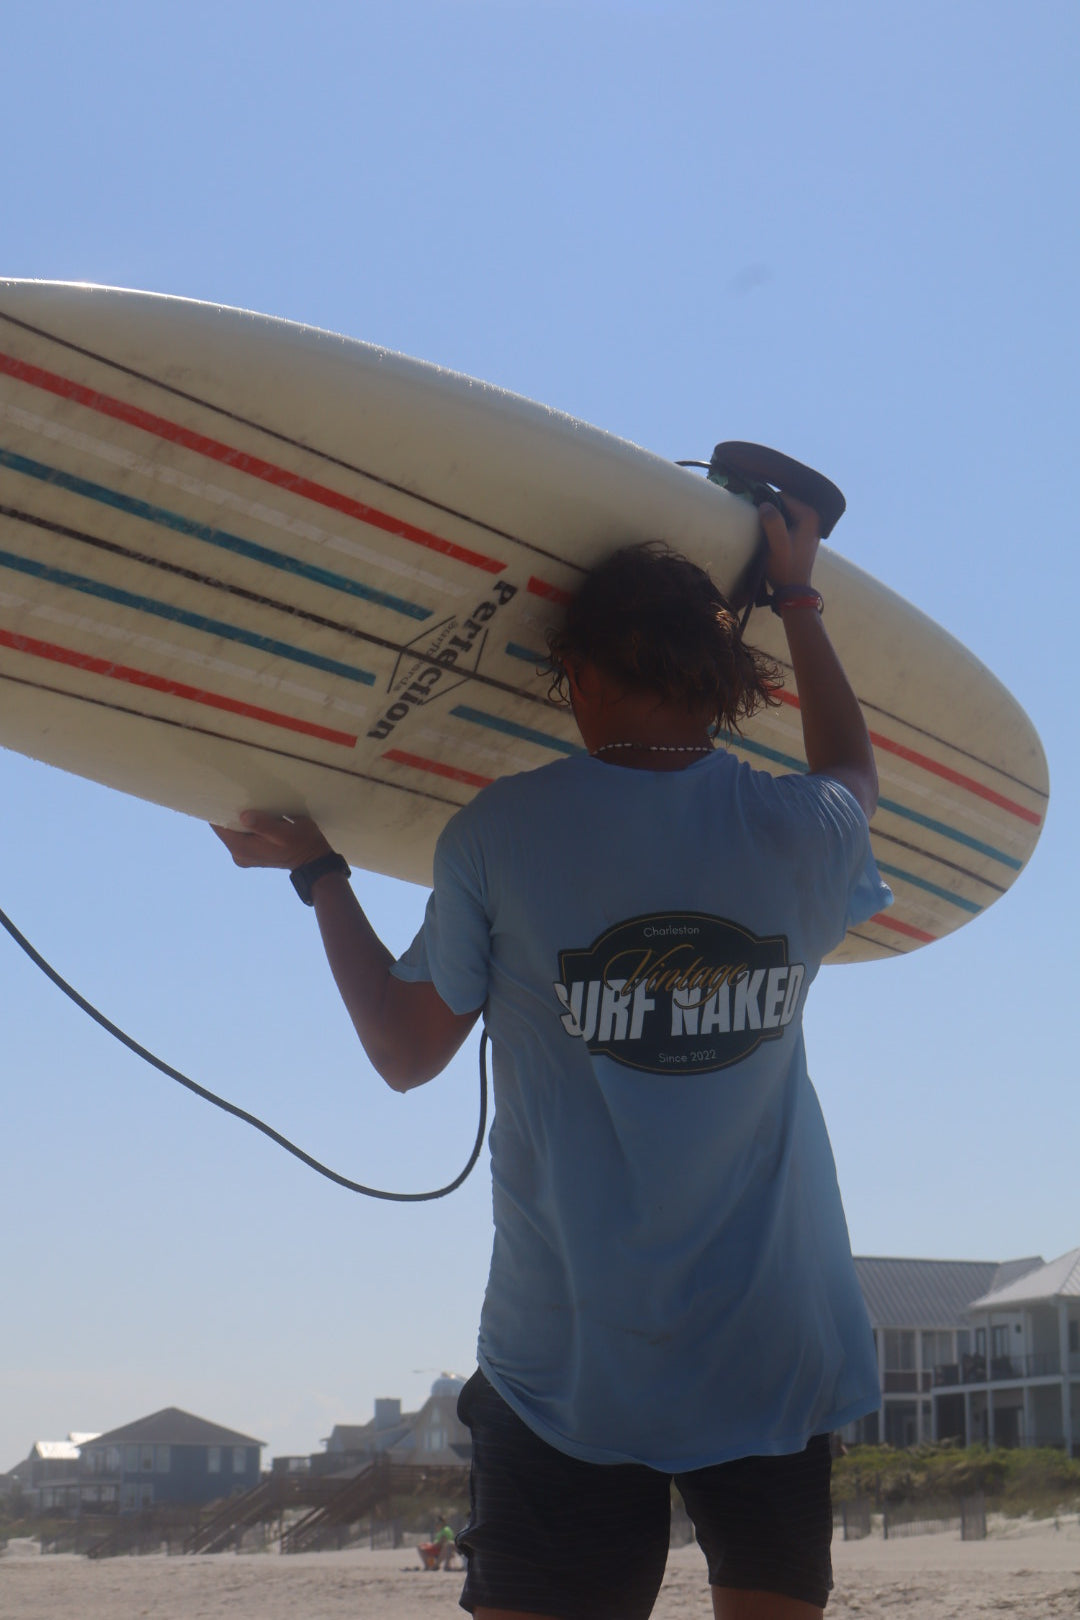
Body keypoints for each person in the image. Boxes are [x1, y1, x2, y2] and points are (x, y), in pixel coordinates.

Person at [214, 495, 890, 1620]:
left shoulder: (502, 833)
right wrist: (800, 598)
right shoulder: (804, 834)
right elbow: (855, 772)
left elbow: (404, 1052)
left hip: (568, 1362)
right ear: (725, 679)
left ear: (574, 672)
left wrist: (320, 874)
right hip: (772, 1349)